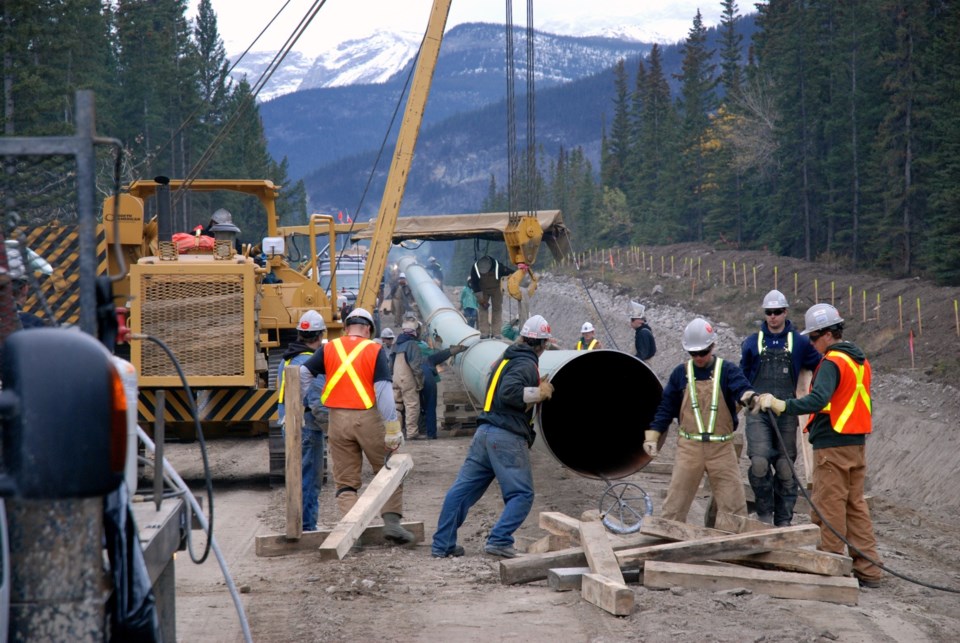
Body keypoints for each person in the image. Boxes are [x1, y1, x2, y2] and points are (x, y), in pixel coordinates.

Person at [757, 303, 884, 588]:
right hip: (855, 442)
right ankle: (869, 569)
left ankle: (830, 564)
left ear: (827, 334)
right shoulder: (859, 361)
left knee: (829, 506)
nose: (812, 344)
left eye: (814, 338)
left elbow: (819, 400)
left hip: (833, 444)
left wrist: (781, 405)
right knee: (855, 506)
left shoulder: (832, 362)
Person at [431, 314, 554, 559]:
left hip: (485, 434)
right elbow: (510, 393)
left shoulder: (505, 359)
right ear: (542, 344)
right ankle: (499, 540)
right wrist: (537, 392)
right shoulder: (525, 364)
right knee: (522, 494)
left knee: (462, 492)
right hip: (506, 436)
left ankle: (442, 545)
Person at [300, 307, 415, 544]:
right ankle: (392, 524)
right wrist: (393, 425)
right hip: (367, 418)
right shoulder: (374, 349)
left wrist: (301, 402)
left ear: (345, 327)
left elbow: (303, 373)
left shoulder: (329, 347)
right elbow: (382, 390)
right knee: (389, 468)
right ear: (369, 329)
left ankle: (353, 533)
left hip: (337, 421)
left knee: (345, 480)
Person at [643, 318, 757, 524]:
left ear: (712, 346)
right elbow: (666, 408)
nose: (698, 358)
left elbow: (741, 387)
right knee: (674, 505)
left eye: (703, 352)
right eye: (693, 353)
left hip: (721, 448)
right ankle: (667, 544)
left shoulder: (727, 370)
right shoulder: (681, 373)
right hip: (689, 448)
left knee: (733, 505)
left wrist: (749, 396)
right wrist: (653, 434)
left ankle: (734, 550)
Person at [739, 290, 822, 526]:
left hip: (787, 410)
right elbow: (742, 375)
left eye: (777, 312)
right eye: (769, 313)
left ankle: (783, 519)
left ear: (785, 312)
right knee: (759, 462)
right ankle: (764, 513)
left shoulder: (801, 342)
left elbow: (820, 366)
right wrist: (744, 395)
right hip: (757, 412)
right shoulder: (751, 342)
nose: (773, 317)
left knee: (785, 468)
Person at [277, 310, 327, 531]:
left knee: (296, 476)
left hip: (288, 424)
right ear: (320, 335)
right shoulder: (311, 362)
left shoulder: (287, 358)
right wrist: (331, 427)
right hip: (307, 427)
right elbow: (316, 400)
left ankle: (297, 524)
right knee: (309, 479)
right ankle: (307, 526)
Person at [416, 340, 467, 439]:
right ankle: (431, 433)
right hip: (429, 378)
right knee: (430, 406)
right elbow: (443, 354)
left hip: (414, 379)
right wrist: (455, 350)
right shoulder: (430, 357)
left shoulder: (406, 353)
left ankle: (419, 430)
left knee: (414, 406)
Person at [391, 319, 425, 440]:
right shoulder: (412, 345)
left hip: (395, 377)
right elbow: (416, 366)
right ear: (414, 331)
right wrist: (420, 382)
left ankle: (396, 432)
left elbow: (391, 362)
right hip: (407, 378)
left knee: (397, 406)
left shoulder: (396, 344)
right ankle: (412, 433)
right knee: (412, 405)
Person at [468, 255, 514, 338]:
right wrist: (480, 298)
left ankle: (496, 333)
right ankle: (484, 332)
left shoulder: (498, 266)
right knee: (483, 309)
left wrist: (517, 273)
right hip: (482, 289)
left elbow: (510, 272)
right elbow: (474, 283)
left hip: (496, 289)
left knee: (497, 309)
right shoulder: (475, 268)